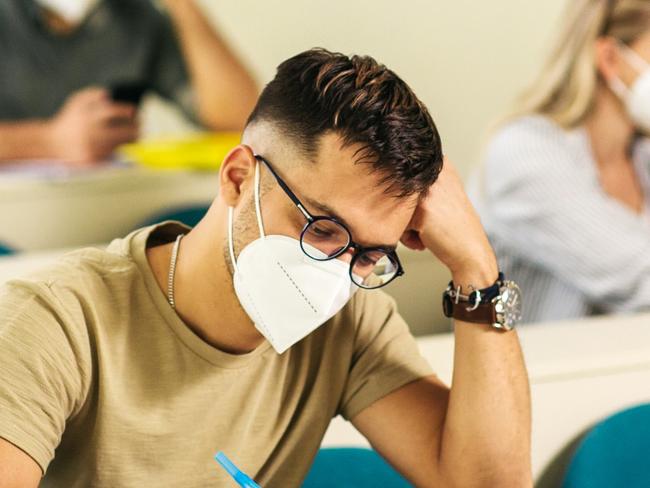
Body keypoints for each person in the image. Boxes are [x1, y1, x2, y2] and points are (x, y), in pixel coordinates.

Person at [0, 49, 531, 487]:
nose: (334, 272)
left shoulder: (348, 324)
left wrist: (477, 268)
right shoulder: (54, 322)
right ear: (237, 179)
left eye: (369, 254)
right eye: (322, 228)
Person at [469, 0, 650, 324]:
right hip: (543, 370)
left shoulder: (641, 155)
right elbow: (637, 278)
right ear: (610, 58)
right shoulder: (524, 154)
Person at [0, 0, 258, 166]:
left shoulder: (135, 17)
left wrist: (183, 5)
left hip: (100, 215)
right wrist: (51, 141)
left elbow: (240, 117)